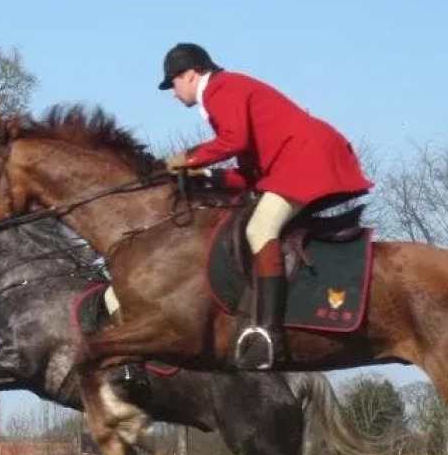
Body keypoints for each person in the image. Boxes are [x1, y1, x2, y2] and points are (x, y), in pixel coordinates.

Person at [158, 42, 371, 369]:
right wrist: (207, 177)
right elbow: (248, 173)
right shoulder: (226, 93)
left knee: (261, 228)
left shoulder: (220, 89)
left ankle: (269, 332)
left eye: (172, 83)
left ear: (189, 74)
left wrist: (189, 158)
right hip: (294, 162)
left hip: (305, 161)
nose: (172, 93)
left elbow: (234, 141)